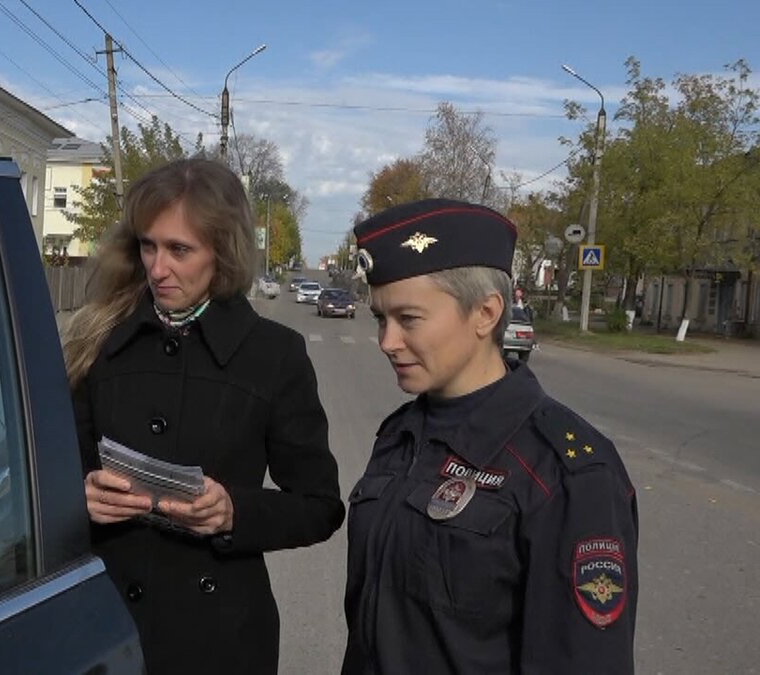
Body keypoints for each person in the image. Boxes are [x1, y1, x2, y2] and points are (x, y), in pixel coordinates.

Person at [63, 158, 344, 675]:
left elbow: (320, 505)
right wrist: (78, 497)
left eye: (179, 250)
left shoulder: (275, 356)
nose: (157, 267)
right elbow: (53, 475)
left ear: (223, 251)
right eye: (149, 245)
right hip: (106, 633)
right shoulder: (96, 340)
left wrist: (233, 512)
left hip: (219, 641)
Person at [343, 198, 638, 674]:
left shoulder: (566, 474)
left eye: (408, 319)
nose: (387, 342)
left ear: (485, 313)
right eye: (381, 318)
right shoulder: (399, 434)